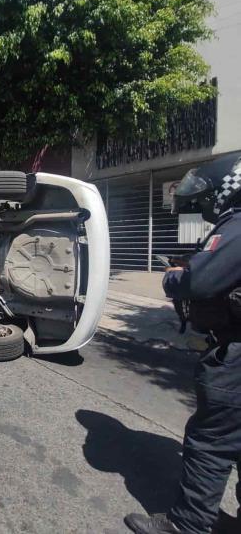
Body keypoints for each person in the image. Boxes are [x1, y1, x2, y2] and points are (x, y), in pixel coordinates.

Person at [124, 153, 241, 534]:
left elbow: (199, 283)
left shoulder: (237, 224)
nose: (203, 204)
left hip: (235, 356)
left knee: (211, 442)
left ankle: (186, 527)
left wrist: (174, 277)